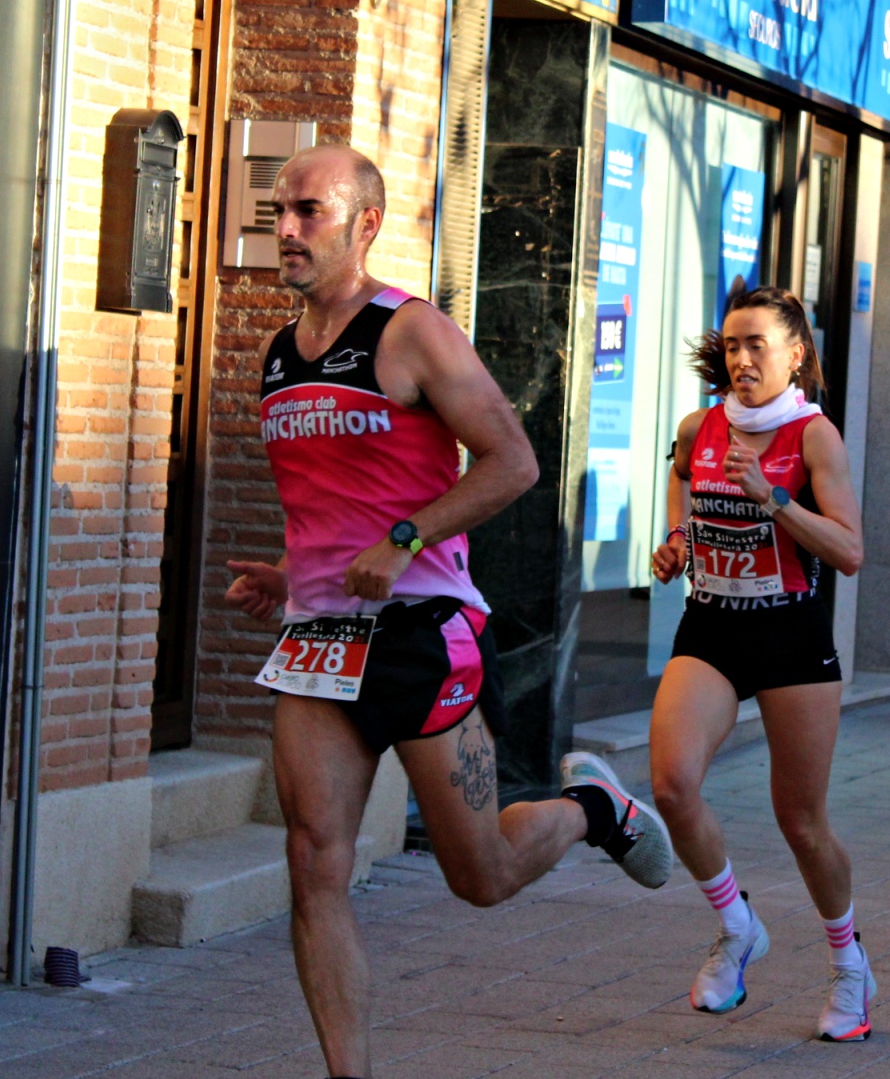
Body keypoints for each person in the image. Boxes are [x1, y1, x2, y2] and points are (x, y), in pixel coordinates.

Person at [223, 146, 671, 1079]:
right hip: (319, 643)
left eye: (309, 210)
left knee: (481, 877)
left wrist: (406, 537)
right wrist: (288, 572)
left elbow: (513, 463)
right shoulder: (277, 351)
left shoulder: (410, 332)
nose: (288, 229)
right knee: (314, 861)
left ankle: (591, 807)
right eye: (279, 212)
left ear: (365, 224)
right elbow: (332, 503)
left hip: (426, 638)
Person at [645, 287, 872, 1041]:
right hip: (712, 626)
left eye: (758, 346)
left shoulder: (814, 438)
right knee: (673, 785)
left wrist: (772, 499)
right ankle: (737, 926)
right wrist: (679, 540)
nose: (742, 359)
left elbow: (849, 551)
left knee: (800, 821)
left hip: (792, 637)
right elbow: (683, 476)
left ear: (795, 354)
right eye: (733, 345)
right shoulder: (699, 426)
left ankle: (848, 967)